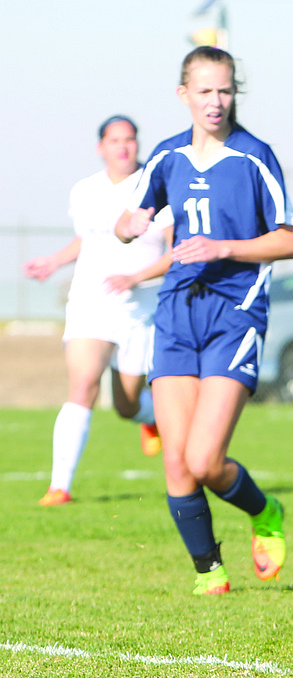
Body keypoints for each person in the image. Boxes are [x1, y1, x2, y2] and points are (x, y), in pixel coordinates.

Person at [114, 47, 293, 595]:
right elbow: (132, 220)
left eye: (225, 91)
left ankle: (265, 512)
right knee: (176, 463)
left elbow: (288, 240)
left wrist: (223, 247)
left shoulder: (255, 156)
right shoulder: (167, 156)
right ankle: (208, 570)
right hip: (176, 312)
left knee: (203, 457)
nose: (216, 102)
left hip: (235, 312)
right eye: (205, 92)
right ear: (183, 95)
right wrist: (128, 225)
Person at [22, 116, 174, 506]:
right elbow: (85, 240)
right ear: (101, 146)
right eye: (115, 140)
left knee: (126, 403)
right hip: (90, 304)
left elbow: (175, 252)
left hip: (138, 311)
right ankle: (60, 487)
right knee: (84, 384)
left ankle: (149, 417)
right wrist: (54, 262)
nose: (123, 146)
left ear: (137, 144)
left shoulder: (156, 186)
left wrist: (134, 277)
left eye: (129, 140)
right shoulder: (84, 190)